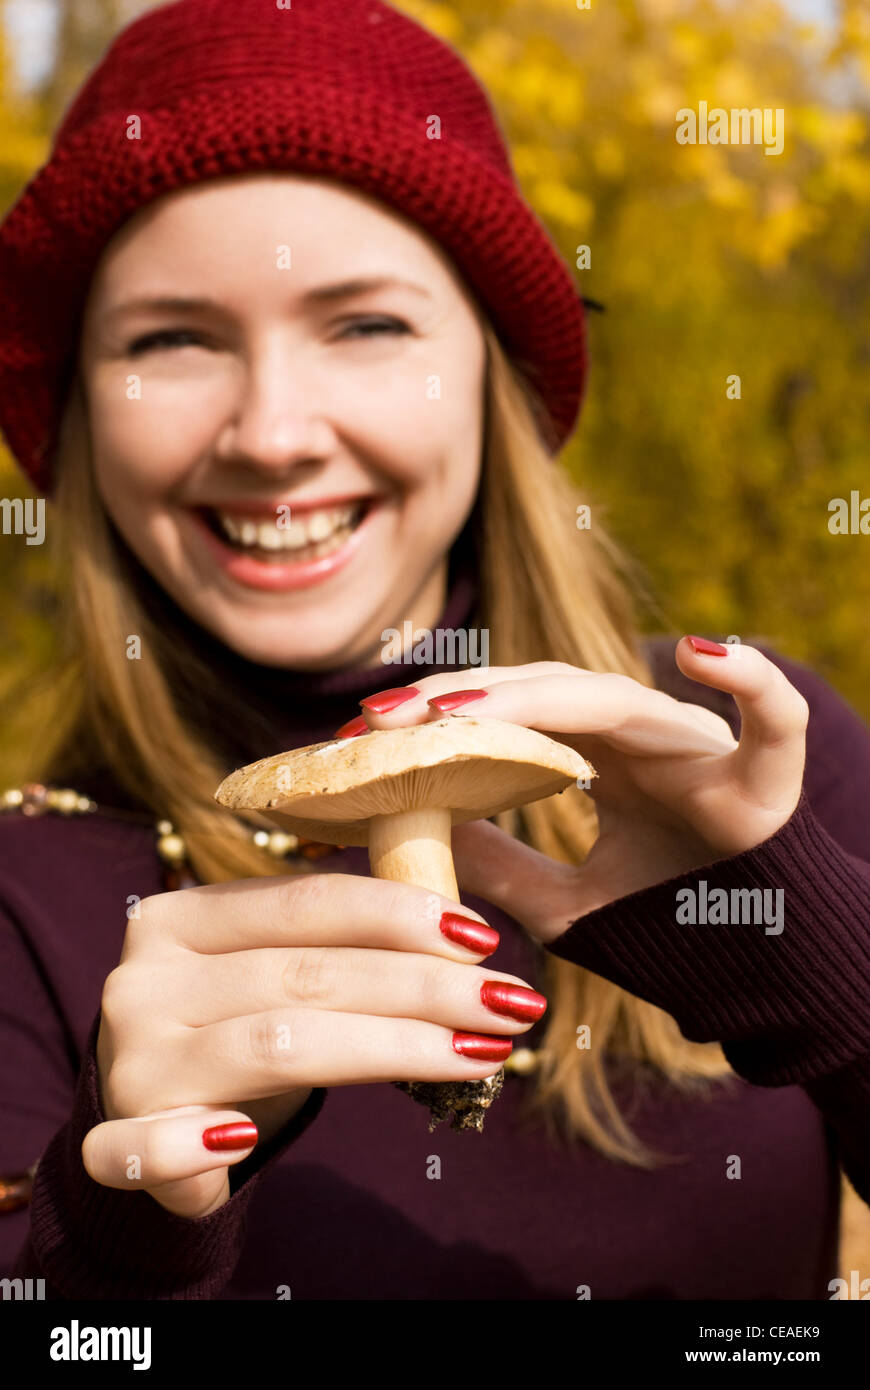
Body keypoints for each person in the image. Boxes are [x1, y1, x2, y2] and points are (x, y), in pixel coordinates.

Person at [1, 0, 868, 1302]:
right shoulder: (20, 900)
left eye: (365, 324)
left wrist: (829, 984)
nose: (275, 433)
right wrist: (117, 1240)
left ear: (491, 376)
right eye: (172, 338)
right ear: (79, 415)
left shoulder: (738, 756)